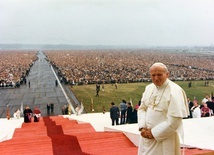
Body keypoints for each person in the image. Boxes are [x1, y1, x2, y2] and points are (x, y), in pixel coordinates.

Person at [138, 62, 189, 155]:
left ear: (167, 74)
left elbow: (175, 120)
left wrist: (153, 133)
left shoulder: (175, 91)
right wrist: (142, 127)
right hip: (145, 137)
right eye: (153, 75)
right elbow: (142, 108)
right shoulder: (149, 88)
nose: (156, 78)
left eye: (159, 75)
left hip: (164, 138)